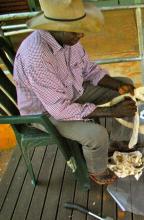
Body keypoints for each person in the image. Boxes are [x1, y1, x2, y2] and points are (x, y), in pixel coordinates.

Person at [13, 0, 137, 185]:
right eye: (75, 30)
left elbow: (89, 70)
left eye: (81, 28)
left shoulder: (68, 39)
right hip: (45, 113)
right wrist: (112, 112)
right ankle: (97, 170)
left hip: (70, 93)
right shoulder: (37, 57)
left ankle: (117, 143)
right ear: (54, 27)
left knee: (125, 86)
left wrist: (118, 86)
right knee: (97, 135)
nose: (81, 34)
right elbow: (60, 110)